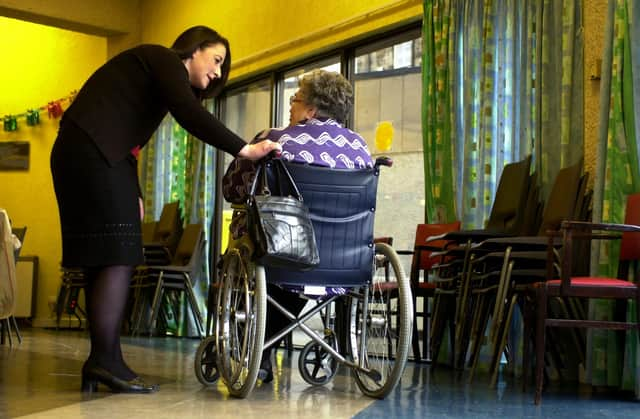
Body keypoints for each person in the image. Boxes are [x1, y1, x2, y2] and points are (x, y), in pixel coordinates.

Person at [50, 26, 281, 394]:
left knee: (103, 255)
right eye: (216, 60)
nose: (218, 73)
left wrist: (135, 190)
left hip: (88, 152)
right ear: (194, 48)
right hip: (92, 152)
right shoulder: (164, 59)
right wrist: (246, 149)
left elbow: (130, 140)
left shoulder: (154, 77)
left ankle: (102, 360)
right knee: (119, 254)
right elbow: (189, 114)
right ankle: (105, 361)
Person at [222, 69, 373, 382]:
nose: (290, 103)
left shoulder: (275, 139)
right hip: (343, 261)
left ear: (311, 111)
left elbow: (231, 189)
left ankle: (256, 345)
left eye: (296, 98)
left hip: (285, 252)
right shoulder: (361, 149)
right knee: (290, 263)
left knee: (254, 234)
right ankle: (266, 344)